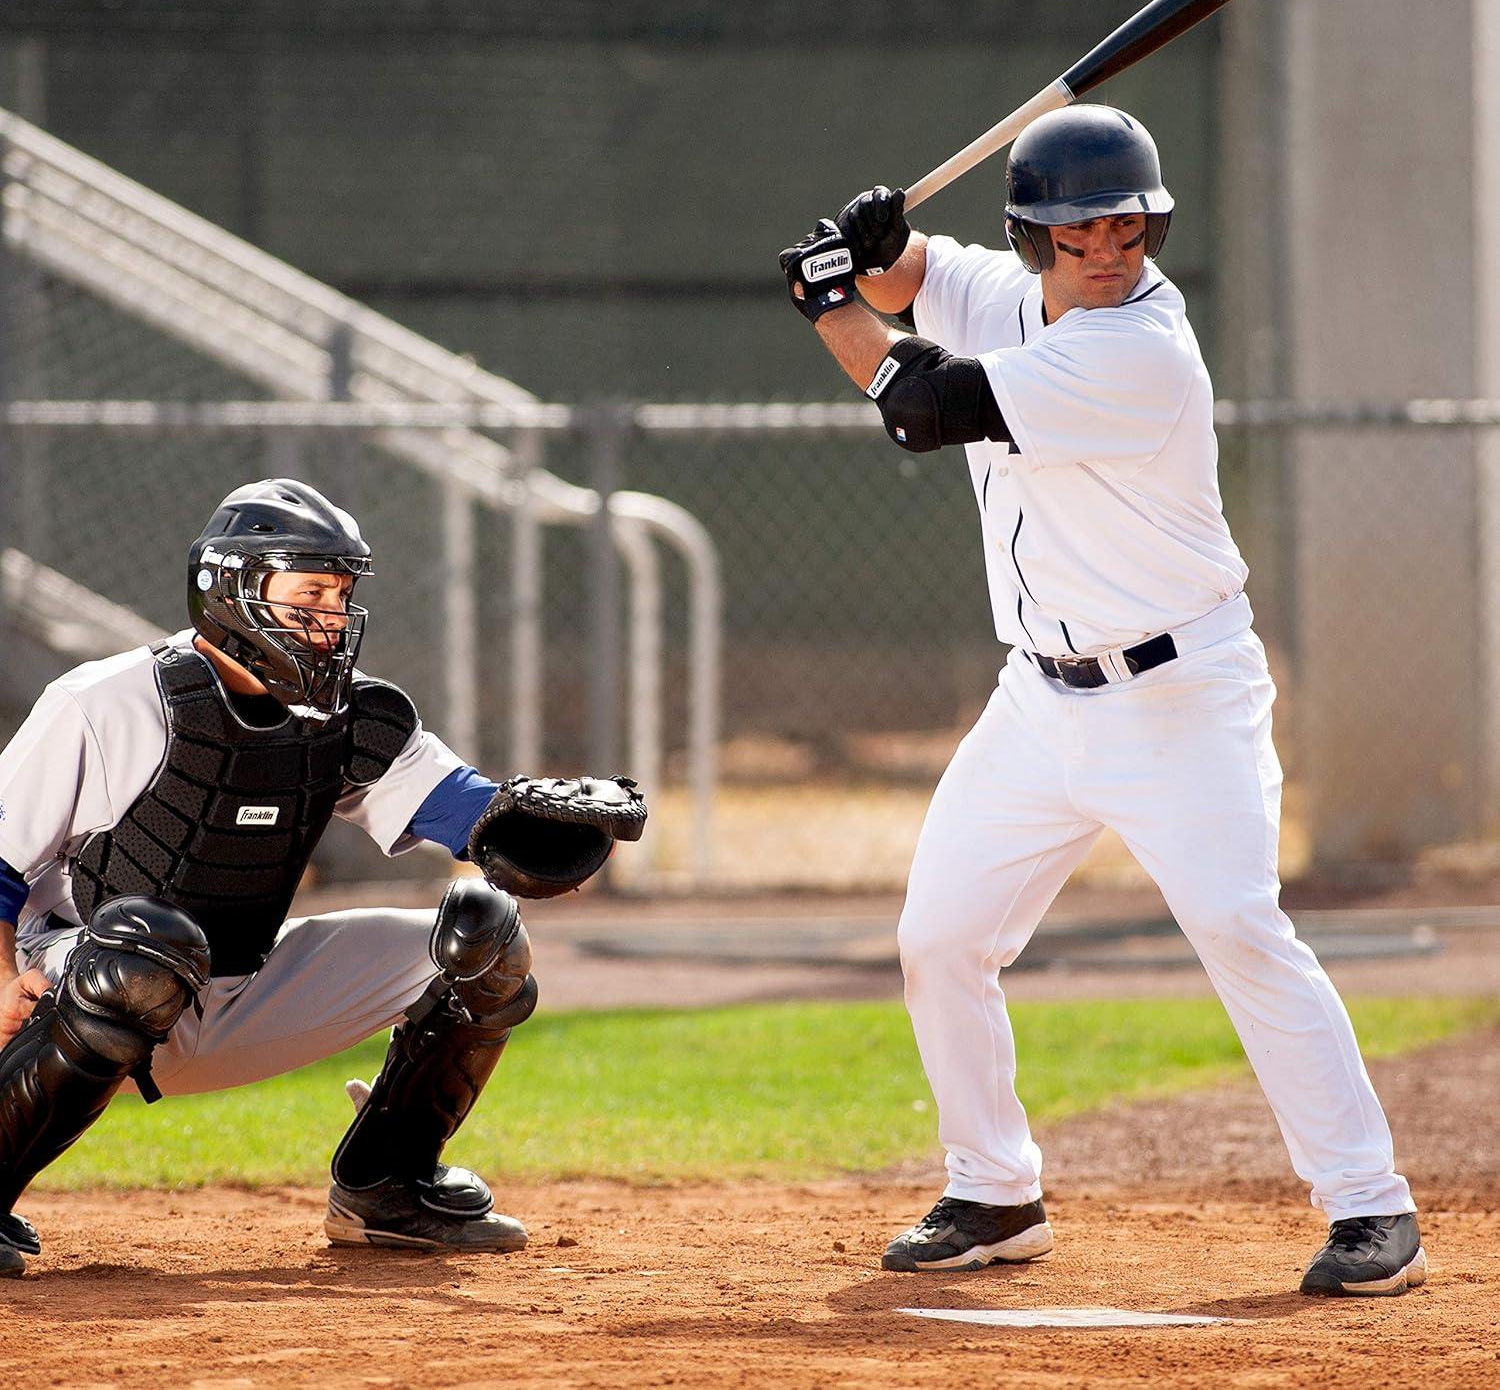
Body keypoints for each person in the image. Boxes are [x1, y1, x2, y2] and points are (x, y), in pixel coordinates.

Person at [777, 105, 1424, 1297]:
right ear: (1034, 241)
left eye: (1127, 227)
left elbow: (923, 407)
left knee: (1239, 927)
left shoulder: (1143, 350)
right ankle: (994, 1191)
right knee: (941, 939)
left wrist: (832, 304)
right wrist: (877, 247)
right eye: (1079, 236)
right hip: (1037, 700)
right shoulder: (1008, 291)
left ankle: (1371, 1206)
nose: (1109, 252)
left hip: (1180, 696)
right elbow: (927, 276)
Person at [0, 477, 645, 1279]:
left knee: (484, 933)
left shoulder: (349, 717)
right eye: (309, 594)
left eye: (339, 597)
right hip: (66, 990)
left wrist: (539, 822)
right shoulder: (107, 702)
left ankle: (387, 1188)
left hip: (233, 989)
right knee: (146, 947)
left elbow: (464, 812)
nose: (331, 620)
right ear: (229, 590)